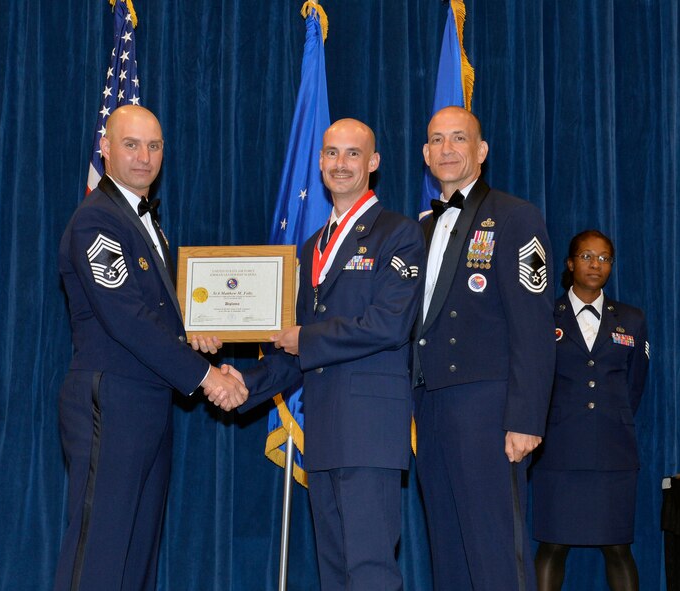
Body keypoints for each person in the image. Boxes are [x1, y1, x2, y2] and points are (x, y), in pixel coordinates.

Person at [224, 119, 425, 590]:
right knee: (334, 574)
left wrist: (305, 340)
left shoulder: (399, 234)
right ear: (319, 162)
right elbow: (291, 351)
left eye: (353, 154)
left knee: (371, 572)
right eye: (332, 153)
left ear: (372, 163)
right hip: (325, 431)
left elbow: (388, 325)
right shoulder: (313, 245)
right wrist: (239, 383)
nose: (340, 164)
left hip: (370, 433)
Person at [55, 105, 247, 591]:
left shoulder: (145, 225)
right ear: (105, 148)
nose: (144, 157)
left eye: (154, 146)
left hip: (145, 400)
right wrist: (207, 377)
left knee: (136, 555)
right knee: (100, 552)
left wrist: (191, 334)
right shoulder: (96, 220)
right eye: (131, 144)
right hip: (111, 398)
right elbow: (126, 319)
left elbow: (153, 315)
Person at [412, 106, 555, 590]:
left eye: (459, 138)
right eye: (437, 140)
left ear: (481, 150)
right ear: (426, 153)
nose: (447, 149)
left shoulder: (516, 217)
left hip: (488, 410)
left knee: (493, 552)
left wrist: (526, 418)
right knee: (448, 550)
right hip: (429, 406)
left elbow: (534, 327)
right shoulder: (422, 230)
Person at [532, 230, 649, 591]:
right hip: (558, 452)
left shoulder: (631, 319)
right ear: (569, 263)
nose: (595, 264)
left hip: (613, 452)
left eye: (604, 258)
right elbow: (532, 380)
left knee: (618, 547)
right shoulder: (543, 314)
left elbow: (635, 384)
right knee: (552, 545)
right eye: (586, 256)